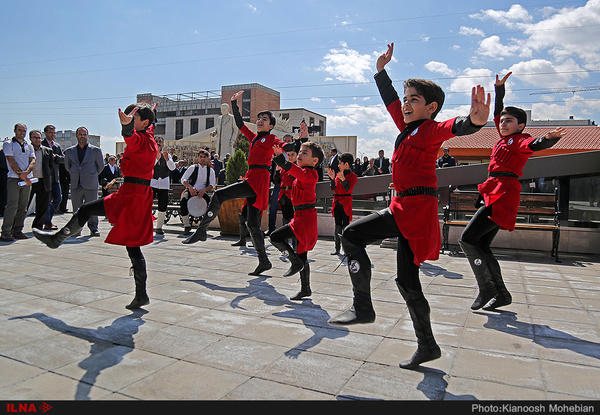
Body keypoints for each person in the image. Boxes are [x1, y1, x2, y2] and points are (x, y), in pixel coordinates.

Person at [328, 43, 491, 370]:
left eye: (413, 99)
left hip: (413, 209)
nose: (404, 104)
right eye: (406, 99)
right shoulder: (406, 128)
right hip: (409, 207)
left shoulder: (430, 129)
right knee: (407, 282)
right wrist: (380, 71)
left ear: (430, 108)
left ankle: (362, 307)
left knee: (351, 236)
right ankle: (427, 345)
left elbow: (454, 127)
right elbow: (389, 100)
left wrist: (474, 121)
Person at [34, 103, 159, 310]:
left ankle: (142, 294)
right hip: (132, 193)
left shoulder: (141, 142)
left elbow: (131, 137)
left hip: (134, 196)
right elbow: (148, 127)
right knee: (90, 214)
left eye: (133, 118)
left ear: (143, 123)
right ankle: (141, 294)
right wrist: (151, 112)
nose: (129, 119)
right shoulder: (149, 135)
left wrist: (126, 127)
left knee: (131, 243)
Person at [459, 72, 565, 311]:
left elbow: (535, 144)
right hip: (494, 192)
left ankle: (486, 288)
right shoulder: (502, 138)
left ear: (521, 126)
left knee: (467, 239)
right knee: (481, 246)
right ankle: (502, 293)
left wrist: (549, 139)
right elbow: (498, 112)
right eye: (503, 121)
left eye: (509, 121)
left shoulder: (519, 140)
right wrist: (499, 89)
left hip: (503, 195)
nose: (503, 123)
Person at [182, 90, 297, 276]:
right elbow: (240, 123)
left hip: (258, 179)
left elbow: (286, 147)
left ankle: (202, 230)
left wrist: (295, 144)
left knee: (219, 195)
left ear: (271, 125)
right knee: (253, 225)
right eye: (259, 118)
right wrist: (234, 104)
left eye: (264, 119)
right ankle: (265, 262)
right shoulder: (255, 138)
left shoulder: (272, 138)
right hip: (252, 177)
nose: (260, 120)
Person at [270, 141, 324, 300]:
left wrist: (281, 159)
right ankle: (305, 288)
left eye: (304, 153)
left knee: (275, 237)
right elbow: (288, 173)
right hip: (300, 216)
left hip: (305, 218)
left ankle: (294, 262)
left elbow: (293, 170)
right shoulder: (303, 171)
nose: (300, 154)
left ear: (315, 161)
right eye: (299, 151)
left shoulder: (310, 174)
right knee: (302, 255)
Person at [64, 127, 104, 236]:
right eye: (80, 134)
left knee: (93, 209)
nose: (82, 136)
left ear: (87, 136)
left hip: (90, 184)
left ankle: (93, 228)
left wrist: (90, 175)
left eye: (84, 134)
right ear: (76, 136)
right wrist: (76, 174)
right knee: (76, 209)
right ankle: (76, 230)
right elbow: (67, 166)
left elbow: (100, 167)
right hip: (76, 184)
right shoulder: (69, 151)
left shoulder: (96, 151)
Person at [1, 124, 35, 241]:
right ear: (14, 131)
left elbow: (33, 160)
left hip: (26, 179)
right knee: (12, 205)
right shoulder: (8, 144)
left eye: (24, 130)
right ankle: (6, 231)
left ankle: (18, 230)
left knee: (23, 207)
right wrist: (21, 174)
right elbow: (11, 160)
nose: (22, 132)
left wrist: (26, 173)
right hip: (14, 178)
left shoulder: (29, 146)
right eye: (20, 130)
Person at [327, 152, 358, 255]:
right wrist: (332, 179)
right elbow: (333, 188)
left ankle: (346, 248)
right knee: (337, 226)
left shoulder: (353, 176)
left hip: (345, 202)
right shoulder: (338, 175)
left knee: (346, 226)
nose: (339, 165)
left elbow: (348, 189)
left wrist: (343, 179)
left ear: (347, 164)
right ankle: (337, 248)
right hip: (336, 202)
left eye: (340, 163)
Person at [180, 149, 216, 235]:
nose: (202, 159)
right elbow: (183, 180)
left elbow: (212, 184)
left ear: (207, 158)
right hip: (191, 190)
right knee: (183, 200)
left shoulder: (210, 170)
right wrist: (190, 188)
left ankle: (204, 226)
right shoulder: (193, 168)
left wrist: (204, 190)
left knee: (211, 205)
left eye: (204, 157)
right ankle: (186, 225)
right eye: (201, 157)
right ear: (198, 158)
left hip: (203, 192)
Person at [27, 130, 54, 230]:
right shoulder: (27, 149)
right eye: (35, 137)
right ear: (30, 138)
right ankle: (17, 227)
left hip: (43, 181)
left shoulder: (47, 150)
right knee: (24, 205)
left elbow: (50, 167)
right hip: (29, 181)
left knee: (42, 206)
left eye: (39, 137)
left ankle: (37, 226)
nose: (37, 140)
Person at [151, 135, 176, 235]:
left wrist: (167, 159)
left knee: (163, 205)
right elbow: (149, 166)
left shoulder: (167, 155)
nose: (158, 143)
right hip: (153, 182)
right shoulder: (150, 153)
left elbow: (172, 168)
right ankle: (146, 224)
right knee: (148, 204)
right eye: (156, 141)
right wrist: (157, 158)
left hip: (164, 184)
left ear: (163, 144)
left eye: (160, 141)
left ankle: (159, 227)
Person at [41, 125, 65, 230]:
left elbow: (63, 159)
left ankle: (46, 220)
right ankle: (47, 222)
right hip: (44, 177)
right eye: (51, 132)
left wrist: (55, 157)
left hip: (55, 177)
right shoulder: (41, 145)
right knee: (46, 201)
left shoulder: (57, 146)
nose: (53, 135)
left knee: (58, 198)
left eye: (54, 133)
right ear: (45, 133)